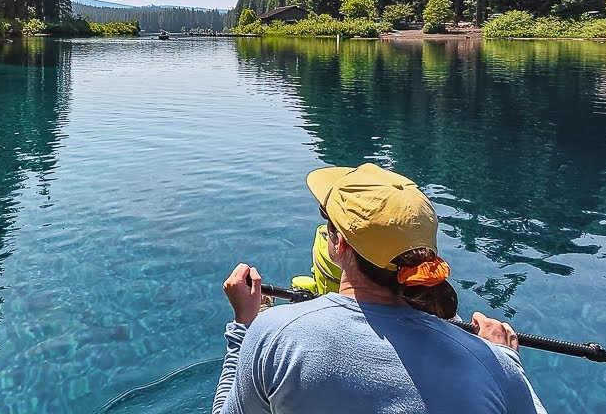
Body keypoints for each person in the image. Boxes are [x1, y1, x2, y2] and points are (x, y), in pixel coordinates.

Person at [212, 163, 547, 414]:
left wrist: (244, 326)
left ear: (338, 244)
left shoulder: (276, 334)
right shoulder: (491, 366)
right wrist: (505, 360)